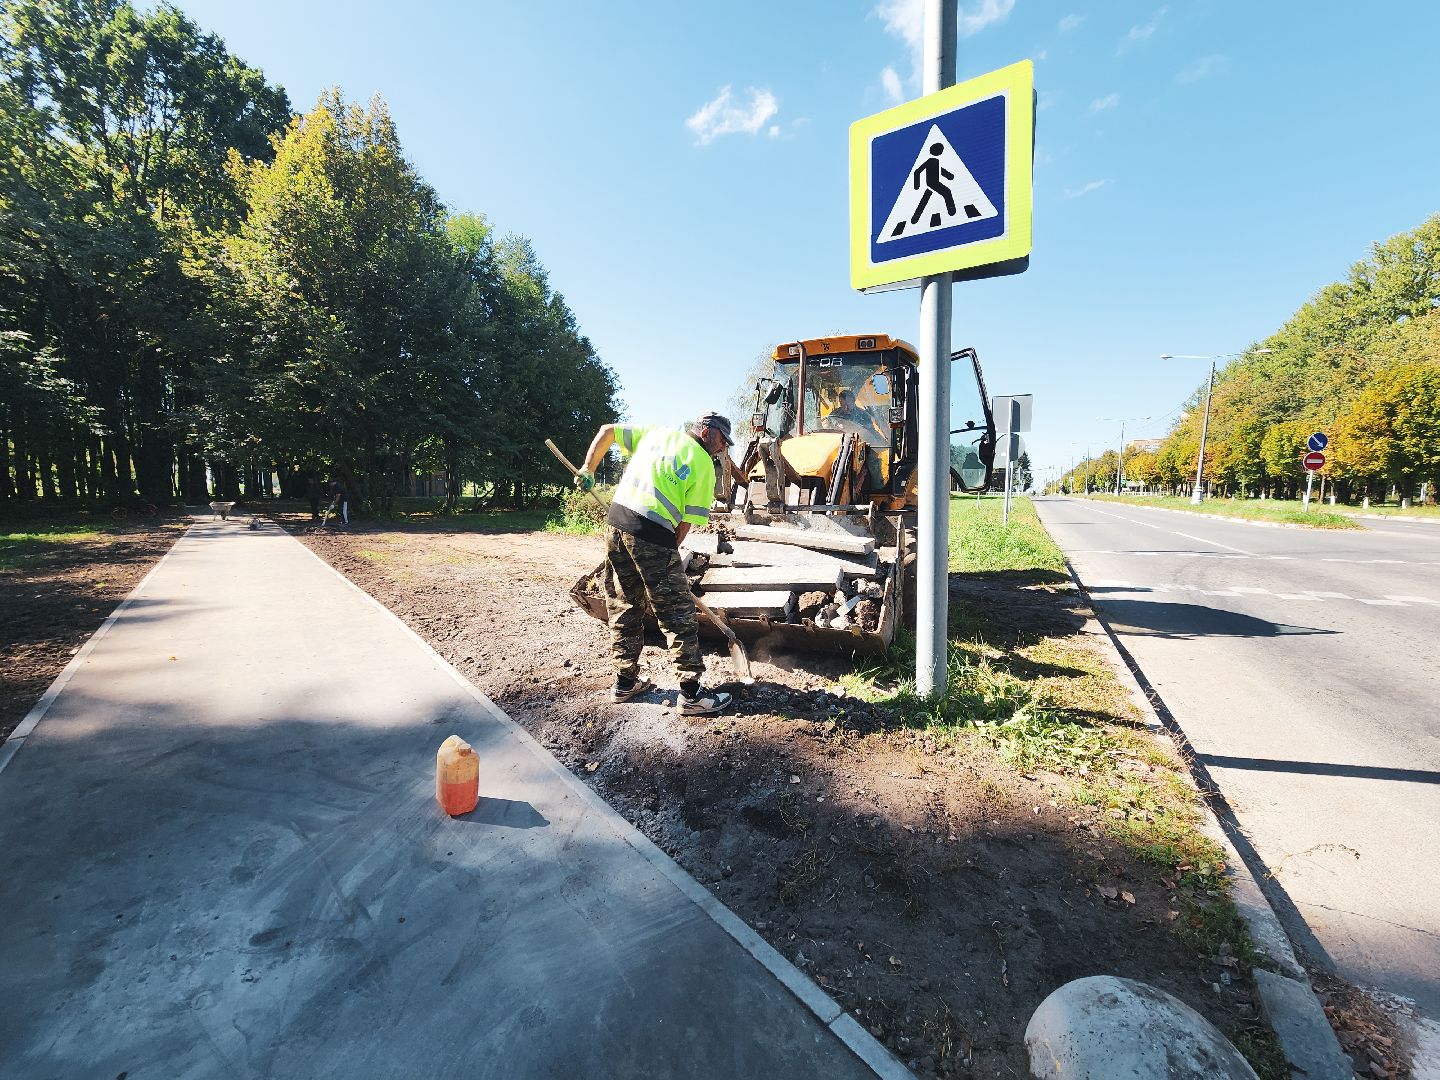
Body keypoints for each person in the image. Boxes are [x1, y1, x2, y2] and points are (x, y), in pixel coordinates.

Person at [576, 413, 736, 716]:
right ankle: (691, 694)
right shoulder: (703, 466)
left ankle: (625, 683)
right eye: (722, 441)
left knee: (624, 605)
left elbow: (607, 430)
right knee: (677, 613)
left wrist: (588, 468)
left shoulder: (658, 433)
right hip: (652, 533)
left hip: (616, 524)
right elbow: (685, 525)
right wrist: (664, 560)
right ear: (707, 433)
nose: (723, 449)